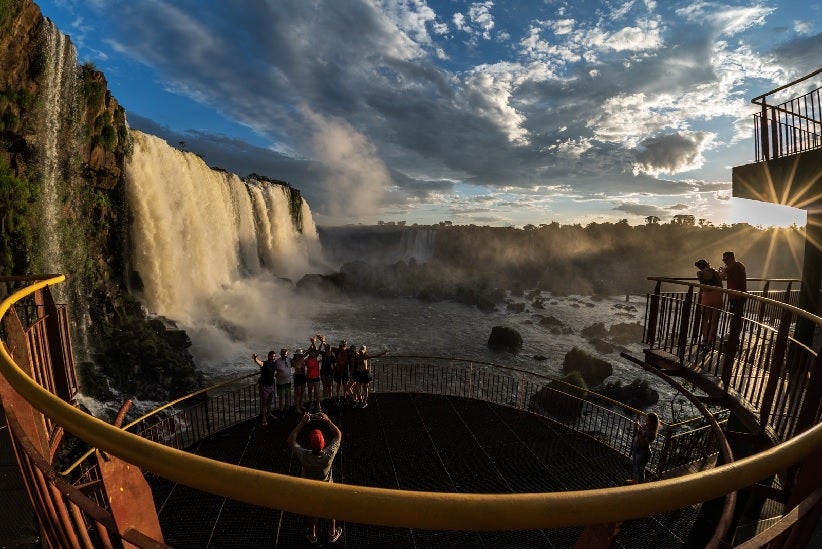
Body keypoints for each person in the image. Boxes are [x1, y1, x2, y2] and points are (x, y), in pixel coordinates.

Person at [288, 412, 343, 545]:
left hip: (310, 489)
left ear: (310, 444)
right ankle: (332, 533)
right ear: (323, 443)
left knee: (312, 512)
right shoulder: (328, 455)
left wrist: (301, 423)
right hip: (327, 489)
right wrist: (327, 420)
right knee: (331, 510)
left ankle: (312, 535)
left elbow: (291, 440)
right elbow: (338, 435)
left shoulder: (305, 455)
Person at [694, 259, 723, 349]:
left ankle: (704, 340)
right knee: (714, 321)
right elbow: (720, 284)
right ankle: (709, 344)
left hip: (706, 297)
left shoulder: (699, 273)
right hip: (717, 296)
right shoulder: (714, 271)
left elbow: (703, 284)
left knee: (705, 320)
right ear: (707, 264)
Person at [629, 412, 659, 484]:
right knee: (635, 467)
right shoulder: (645, 427)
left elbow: (644, 444)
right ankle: (634, 481)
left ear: (653, 422)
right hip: (637, 449)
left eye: (648, 420)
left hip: (643, 453)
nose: (646, 421)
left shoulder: (652, 433)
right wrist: (636, 427)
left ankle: (640, 485)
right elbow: (636, 433)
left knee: (640, 470)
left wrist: (639, 432)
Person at [252, 350, 277, 426]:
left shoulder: (274, 363)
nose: (273, 358)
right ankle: (263, 418)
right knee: (263, 403)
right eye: (272, 356)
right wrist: (255, 358)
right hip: (264, 387)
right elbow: (259, 363)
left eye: (274, 356)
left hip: (271, 385)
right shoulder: (265, 363)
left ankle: (269, 413)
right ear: (268, 356)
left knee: (269, 401)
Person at [719, 251, 747, 316]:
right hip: (742, 294)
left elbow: (720, 277)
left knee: (733, 315)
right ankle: (739, 325)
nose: (724, 261)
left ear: (732, 258)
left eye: (726, 259)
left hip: (734, 296)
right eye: (723, 260)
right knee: (739, 315)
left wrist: (721, 271)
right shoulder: (740, 265)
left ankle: (734, 326)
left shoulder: (730, 267)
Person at [273, 348, 294, 415]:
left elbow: (297, 361)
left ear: (287, 354)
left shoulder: (289, 359)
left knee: (287, 396)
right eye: (283, 354)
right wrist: (275, 375)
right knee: (281, 398)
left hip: (288, 382)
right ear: (280, 354)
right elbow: (273, 370)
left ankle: (287, 410)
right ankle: (281, 411)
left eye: (285, 354)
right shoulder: (277, 361)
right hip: (281, 383)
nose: (284, 356)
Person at [333, 340, 352, 404]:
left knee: (344, 384)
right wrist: (323, 342)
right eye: (342, 345)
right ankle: (338, 397)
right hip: (338, 370)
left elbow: (355, 353)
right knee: (338, 384)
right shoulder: (337, 350)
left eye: (344, 345)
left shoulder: (348, 351)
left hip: (345, 370)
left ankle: (344, 396)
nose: (342, 346)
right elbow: (328, 347)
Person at [305, 347, 322, 413]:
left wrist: (321, 342)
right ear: (309, 354)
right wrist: (308, 350)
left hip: (316, 377)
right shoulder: (306, 360)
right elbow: (301, 358)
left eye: (313, 354)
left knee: (317, 392)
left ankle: (318, 404)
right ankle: (311, 402)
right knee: (310, 391)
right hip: (309, 377)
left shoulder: (315, 358)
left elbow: (319, 350)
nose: (312, 355)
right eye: (310, 354)